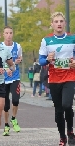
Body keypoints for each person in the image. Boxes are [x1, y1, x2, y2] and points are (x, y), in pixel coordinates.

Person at [39, 12, 75, 146]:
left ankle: (70, 131)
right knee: (59, 109)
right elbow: (41, 60)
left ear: (65, 23)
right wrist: (47, 59)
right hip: (54, 78)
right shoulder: (46, 40)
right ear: (52, 24)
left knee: (67, 105)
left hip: (70, 76)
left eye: (61, 21)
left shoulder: (72, 38)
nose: (59, 24)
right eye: (56, 21)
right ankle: (62, 136)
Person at [2, 26, 22, 136]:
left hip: (15, 77)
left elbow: (20, 58)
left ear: (13, 34)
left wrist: (19, 60)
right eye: (6, 33)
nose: (9, 35)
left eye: (10, 33)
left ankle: (13, 119)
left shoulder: (17, 46)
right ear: (3, 34)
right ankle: (6, 125)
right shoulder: (0, 47)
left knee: (16, 100)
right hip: (3, 79)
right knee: (5, 105)